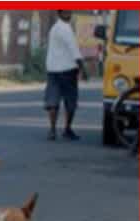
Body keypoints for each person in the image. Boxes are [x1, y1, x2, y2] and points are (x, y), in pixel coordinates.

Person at [45, 9, 86, 140]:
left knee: (53, 100)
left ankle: (52, 130)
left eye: (69, 12)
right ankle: (67, 129)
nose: (69, 15)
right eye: (66, 13)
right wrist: (82, 68)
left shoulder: (54, 28)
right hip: (68, 70)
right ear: (60, 13)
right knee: (70, 102)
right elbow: (74, 50)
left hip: (52, 70)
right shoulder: (66, 29)